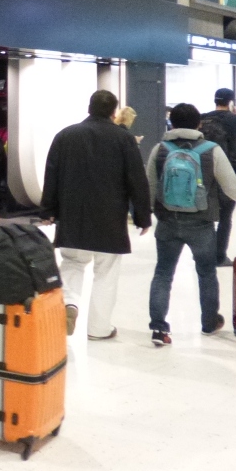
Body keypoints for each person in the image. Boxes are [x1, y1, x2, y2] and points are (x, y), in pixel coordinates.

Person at [146, 103, 236, 347]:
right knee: (207, 273)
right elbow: (231, 188)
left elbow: (150, 188)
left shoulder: (159, 150)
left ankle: (158, 328)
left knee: (163, 273)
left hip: (167, 222)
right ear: (198, 124)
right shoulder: (212, 150)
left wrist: (149, 216)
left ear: (172, 123)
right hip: (201, 223)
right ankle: (209, 322)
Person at [40, 90, 152, 341]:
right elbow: (137, 179)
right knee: (106, 272)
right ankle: (99, 329)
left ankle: (69, 305)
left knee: (72, 263)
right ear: (114, 112)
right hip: (109, 218)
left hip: (73, 216)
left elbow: (52, 175)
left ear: (89, 108)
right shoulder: (123, 139)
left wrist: (48, 210)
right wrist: (143, 216)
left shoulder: (66, 135)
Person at [199, 87, 236, 266]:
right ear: (231, 102)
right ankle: (219, 256)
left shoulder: (203, 118)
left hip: (205, 170)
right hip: (229, 170)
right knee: (225, 216)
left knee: (206, 214)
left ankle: (203, 254)